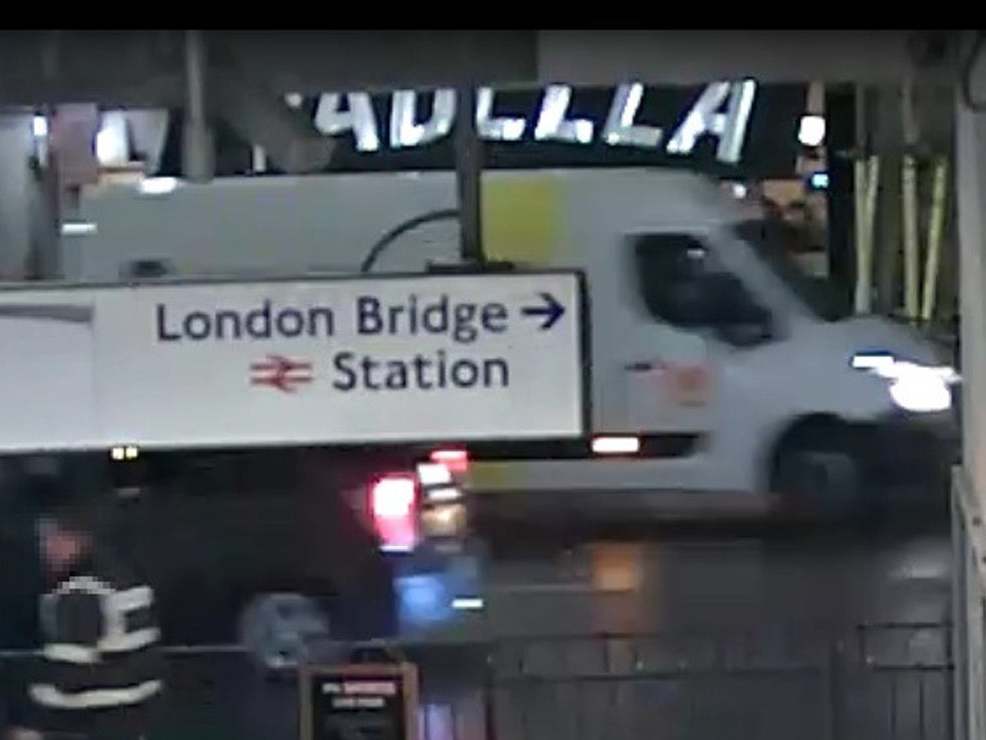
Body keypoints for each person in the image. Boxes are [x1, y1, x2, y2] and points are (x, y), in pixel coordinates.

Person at [10, 462, 164, 740]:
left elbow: (69, 674)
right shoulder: (124, 577)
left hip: (97, 722)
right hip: (137, 716)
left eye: (49, 539)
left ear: (72, 539)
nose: (45, 549)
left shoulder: (79, 593)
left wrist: (29, 723)